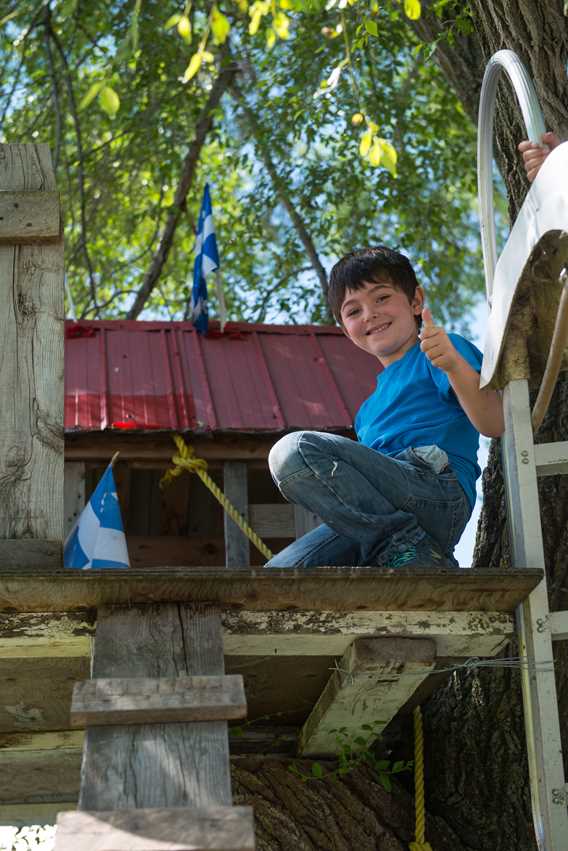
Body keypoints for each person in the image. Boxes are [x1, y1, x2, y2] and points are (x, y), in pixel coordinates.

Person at [265, 246, 504, 569]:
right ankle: (409, 552)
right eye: (353, 311)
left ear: (415, 301)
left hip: (435, 491)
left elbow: (494, 422)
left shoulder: (437, 352)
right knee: (276, 577)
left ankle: (404, 547)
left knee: (293, 452)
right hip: (383, 517)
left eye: (381, 298)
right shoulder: (366, 412)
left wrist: (453, 365)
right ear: (345, 329)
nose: (369, 314)